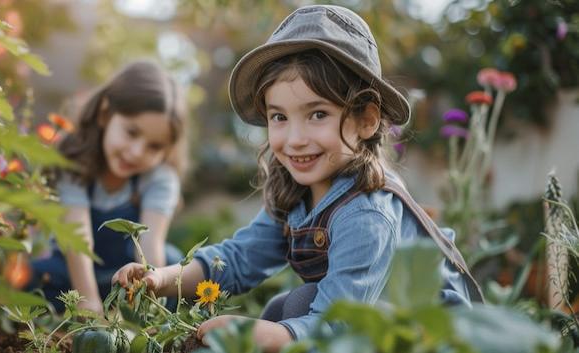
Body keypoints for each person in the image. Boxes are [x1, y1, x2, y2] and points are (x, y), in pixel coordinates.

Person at [112, 5, 483, 352]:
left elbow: (340, 323)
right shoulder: (296, 193)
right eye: (279, 117)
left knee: (297, 308)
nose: (295, 138)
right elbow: (239, 259)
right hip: (370, 323)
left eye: (317, 114)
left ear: (366, 120)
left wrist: (262, 333)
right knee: (282, 309)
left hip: (432, 337)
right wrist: (160, 279)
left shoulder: (367, 213)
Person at [29, 60, 187, 313]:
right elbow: (77, 240)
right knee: (34, 272)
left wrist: (149, 307)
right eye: (132, 132)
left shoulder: (160, 179)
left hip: (123, 280)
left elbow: (150, 248)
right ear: (105, 113)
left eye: (154, 146)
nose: (136, 152)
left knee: (171, 262)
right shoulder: (74, 162)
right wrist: (88, 304)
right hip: (72, 273)